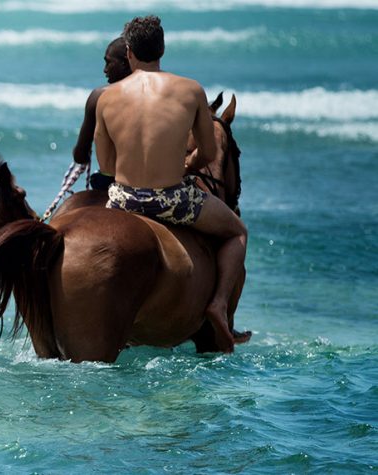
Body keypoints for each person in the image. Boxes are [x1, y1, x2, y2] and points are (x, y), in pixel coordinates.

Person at [95, 16, 248, 352]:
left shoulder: (106, 97)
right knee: (238, 232)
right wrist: (185, 165)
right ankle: (219, 304)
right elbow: (207, 153)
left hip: (123, 200)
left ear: (129, 52)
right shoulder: (191, 90)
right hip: (172, 200)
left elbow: (106, 165)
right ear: (162, 49)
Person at [71, 36, 133, 191]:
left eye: (109, 62)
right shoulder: (158, 94)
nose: (105, 69)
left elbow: (80, 156)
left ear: (125, 63)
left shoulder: (99, 96)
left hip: (112, 183)